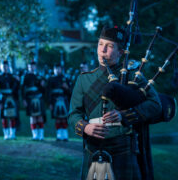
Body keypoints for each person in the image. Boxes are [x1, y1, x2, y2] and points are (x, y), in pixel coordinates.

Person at [68, 26, 162, 180]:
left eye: (110, 46)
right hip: (93, 147)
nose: (102, 50)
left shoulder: (133, 77)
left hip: (123, 147)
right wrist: (86, 127)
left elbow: (155, 105)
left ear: (121, 52)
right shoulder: (84, 79)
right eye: (100, 44)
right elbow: (73, 115)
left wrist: (123, 115)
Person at [0, 60, 20, 140]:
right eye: (3, 66)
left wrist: (17, 81)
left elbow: (16, 89)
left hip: (11, 98)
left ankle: (12, 134)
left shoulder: (12, 77)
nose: (5, 68)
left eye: (6, 66)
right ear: (1, 67)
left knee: (12, 116)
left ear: (8, 67)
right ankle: (6, 134)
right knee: (4, 117)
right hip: (3, 98)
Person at [21, 61, 46, 141]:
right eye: (30, 66)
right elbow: (22, 89)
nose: (31, 68)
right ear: (28, 67)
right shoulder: (25, 77)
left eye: (33, 66)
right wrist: (24, 99)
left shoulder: (39, 76)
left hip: (39, 98)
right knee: (32, 116)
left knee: (40, 116)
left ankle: (41, 135)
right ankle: (35, 135)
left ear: (35, 67)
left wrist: (43, 85)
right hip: (29, 99)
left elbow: (43, 90)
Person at [48, 64, 71, 141]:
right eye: (56, 69)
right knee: (57, 119)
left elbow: (70, 92)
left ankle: (65, 135)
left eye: (59, 69)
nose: (57, 70)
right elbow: (48, 93)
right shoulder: (51, 79)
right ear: (54, 69)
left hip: (64, 101)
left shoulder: (65, 78)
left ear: (61, 69)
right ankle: (59, 135)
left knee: (64, 118)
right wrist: (50, 103)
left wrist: (67, 88)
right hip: (55, 101)